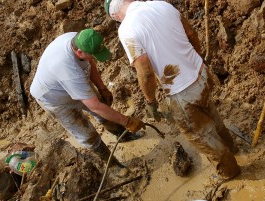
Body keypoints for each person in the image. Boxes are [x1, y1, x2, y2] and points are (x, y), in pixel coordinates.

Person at [104, 0, 241, 179]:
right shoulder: (162, 4)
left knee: (201, 136)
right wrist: (197, 59)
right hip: (201, 73)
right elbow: (191, 33)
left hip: (181, 91)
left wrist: (151, 101)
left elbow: (145, 73)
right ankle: (234, 149)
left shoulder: (126, 29)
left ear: (115, 15)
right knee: (212, 115)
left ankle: (229, 171)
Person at [30, 28, 145, 178]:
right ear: (79, 53)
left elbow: (89, 63)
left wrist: (102, 88)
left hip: (69, 82)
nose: (94, 58)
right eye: (93, 55)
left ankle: (122, 136)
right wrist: (127, 121)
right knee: (87, 134)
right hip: (54, 99)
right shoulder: (68, 69)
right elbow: (95, 106)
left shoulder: (78, 39)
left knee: (103, 107)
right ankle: (112, 166)